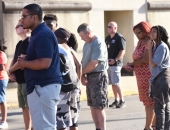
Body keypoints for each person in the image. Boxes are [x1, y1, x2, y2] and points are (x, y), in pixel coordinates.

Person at [18, 4, 62, 130]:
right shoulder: (37, 34)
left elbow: (44, 63)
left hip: (43, 87)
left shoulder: (43, 34)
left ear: (34, 17)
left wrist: (24, 63)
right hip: (41, 87)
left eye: (24, 16)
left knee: (44, 127)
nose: (22, 20)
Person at [44, 13, 80, 130]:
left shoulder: (56, 47)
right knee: (73, 120)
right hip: (74, 86)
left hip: (63, 88)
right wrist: (78, 83)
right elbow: (79, 65)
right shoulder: (69, 48)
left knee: (61, 121)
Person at [125, 22, 156, 130]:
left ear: (145, 30)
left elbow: (145, 60)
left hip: (148, 75)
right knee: (148, 102)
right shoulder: (140, 42)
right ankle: (154, 126)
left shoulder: (149, 42)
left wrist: (131, 64)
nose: (137, 35)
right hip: (140, 76)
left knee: (149, 102)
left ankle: (147, 127)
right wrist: (133, 66)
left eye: (139, 32)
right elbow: (138, 59)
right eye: (135, 33)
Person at [77, 23, 108, 130]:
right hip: (89, 75)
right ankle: (97, 127)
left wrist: (81, 73)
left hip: (98, 76)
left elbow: (94, 63)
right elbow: (84, 61)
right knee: (92, 104)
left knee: (99, 106)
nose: (82, 39)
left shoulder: (97, 43)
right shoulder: (87, 43)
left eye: (82, 36)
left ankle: (102, 128)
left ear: (89, 32)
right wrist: (82, 75)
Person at [8, 20, 32, 130]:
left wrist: (9, 71)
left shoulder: (28, 41)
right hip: (20, 81)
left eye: (19, 25)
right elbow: (15, 59)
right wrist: (11, 72)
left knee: (30, 108)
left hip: (27, 81)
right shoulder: (20, 43)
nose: (16, 27)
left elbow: (21, 61)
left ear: (26, 27)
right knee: (24, 107)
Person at [148, 25, 170, 130]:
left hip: (162, 78)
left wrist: (149, 50)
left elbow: (153, 64)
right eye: (150, 31)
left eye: (154, 32)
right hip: (158, 78)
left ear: (160, 34)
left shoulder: (161, 46)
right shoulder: (157, 46)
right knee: (164, 107)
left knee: (160, 107)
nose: (151, 33)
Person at [105, 21, 126, 108]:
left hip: (116, 64)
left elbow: (122, 51)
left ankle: (122, 100)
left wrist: (115, 59)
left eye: (111, 27)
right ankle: (116, 100)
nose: (109, 28)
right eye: (108, 27)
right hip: (108, 64)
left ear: (115, 28)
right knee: (113, 83)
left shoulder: (119, 38)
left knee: (116, 83)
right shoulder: (107, 38)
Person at [0, 39, 8, 129]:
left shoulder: (1, 54)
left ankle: (4, 121)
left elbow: (1, 67)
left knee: (1, 99)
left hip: (1, 79)